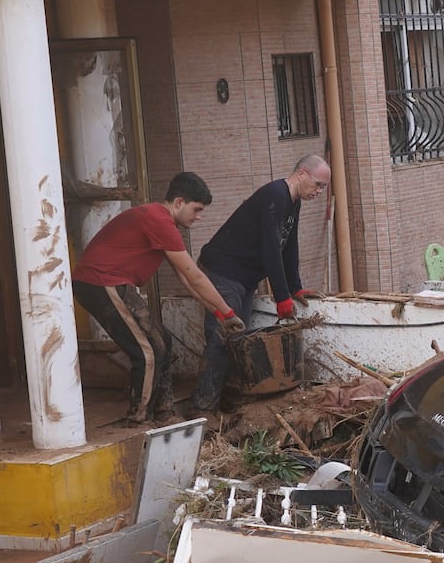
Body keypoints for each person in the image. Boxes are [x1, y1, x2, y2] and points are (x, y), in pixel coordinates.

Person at [74, 173, 246, 424]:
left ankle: (164, 411)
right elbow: (195, 276)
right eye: (196, 209)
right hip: (100, 282)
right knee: (146, 350)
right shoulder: (159, 220)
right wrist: (228, 312)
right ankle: (138, 419)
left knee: (162, 340)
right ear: (178, 203)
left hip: (112, 283)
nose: (198, 217)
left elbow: (187, 281)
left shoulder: (159, 219)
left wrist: (219, 314)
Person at [191, 155, 331, 413]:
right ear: (301, 174)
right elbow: (270, 249)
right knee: (222, 339)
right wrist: (281, 297)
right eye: (318, 185)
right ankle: (202, 410)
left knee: (238, 339)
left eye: (323, 188)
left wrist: (294, 287)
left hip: (244, 277)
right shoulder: (275, 195)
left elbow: (288, 246)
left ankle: (226, 403)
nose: (320, 192)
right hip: (224, 270)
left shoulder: (293, 202)